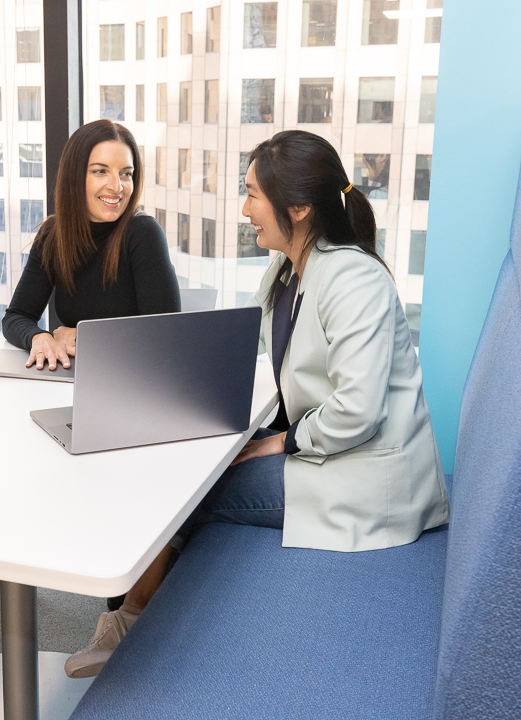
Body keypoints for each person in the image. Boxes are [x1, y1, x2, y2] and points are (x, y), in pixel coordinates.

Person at [64, 129, 450, 679]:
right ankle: (140, 623)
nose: (245, 210)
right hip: (330, 453)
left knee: (187, 496)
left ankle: (134, 631)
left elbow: (358, 411)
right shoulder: (289, 269)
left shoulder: (354, 279)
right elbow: (246, 348)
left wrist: (281, 441)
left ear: (298, 207)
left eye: (252, 195)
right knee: (179, 467)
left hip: (366, 478)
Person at [2, 119, 180, 369]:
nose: (117, 186)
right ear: (74, 176)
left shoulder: (143, 233)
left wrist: (80, 337)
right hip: (76, 372)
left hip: (135, 376)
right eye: (100, 171)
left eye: (126, 173)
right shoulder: (54, 235)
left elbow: (165, 336)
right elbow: (16, 316)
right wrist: (38, 337)